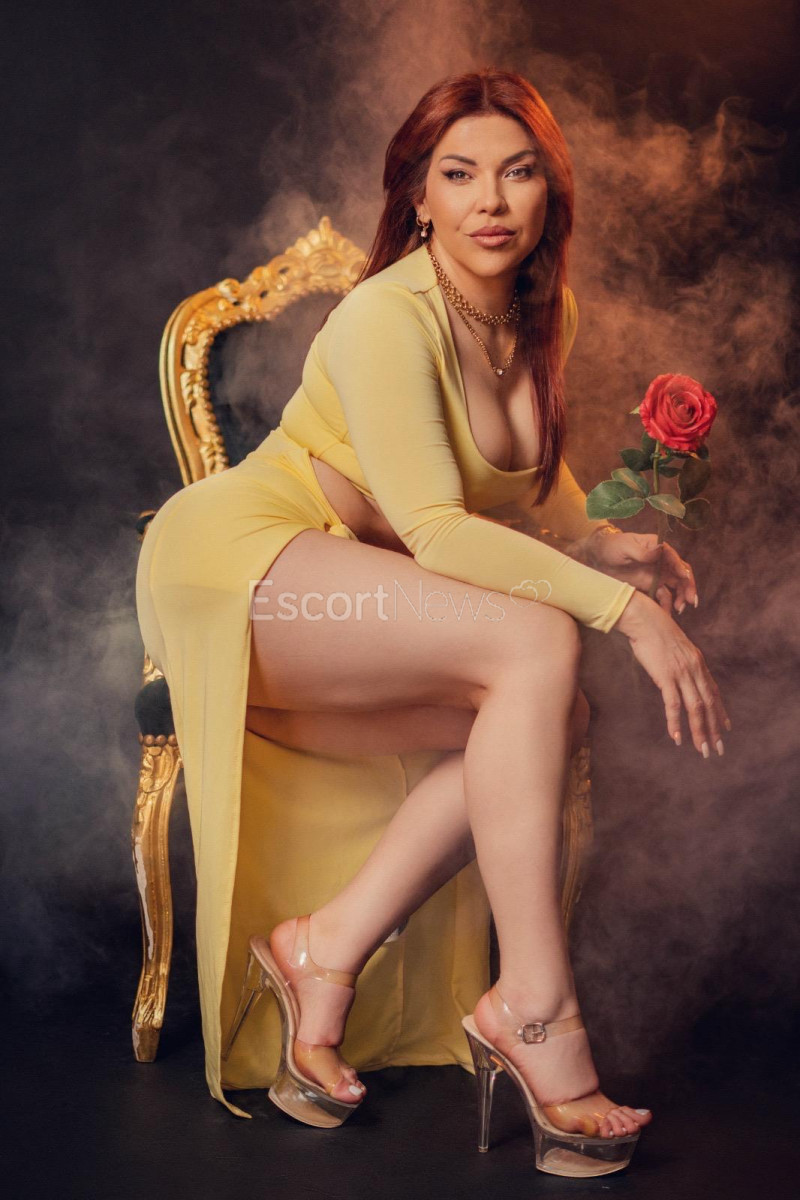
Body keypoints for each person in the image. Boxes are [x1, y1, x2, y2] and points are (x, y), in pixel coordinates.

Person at [136, 68, 728, 1176]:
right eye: (458, 175)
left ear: (550, 193)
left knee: (544, 718)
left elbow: (521, 486)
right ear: (417, 197)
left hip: (346, 586)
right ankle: (536, 1011)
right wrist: (627, 617)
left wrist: (605, 542)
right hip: (243, 563)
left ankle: (325, 947)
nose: (488, 201)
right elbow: (441, 531)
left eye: (517, 173)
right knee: (541, 642)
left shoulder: (538, 315)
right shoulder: (383, 316)